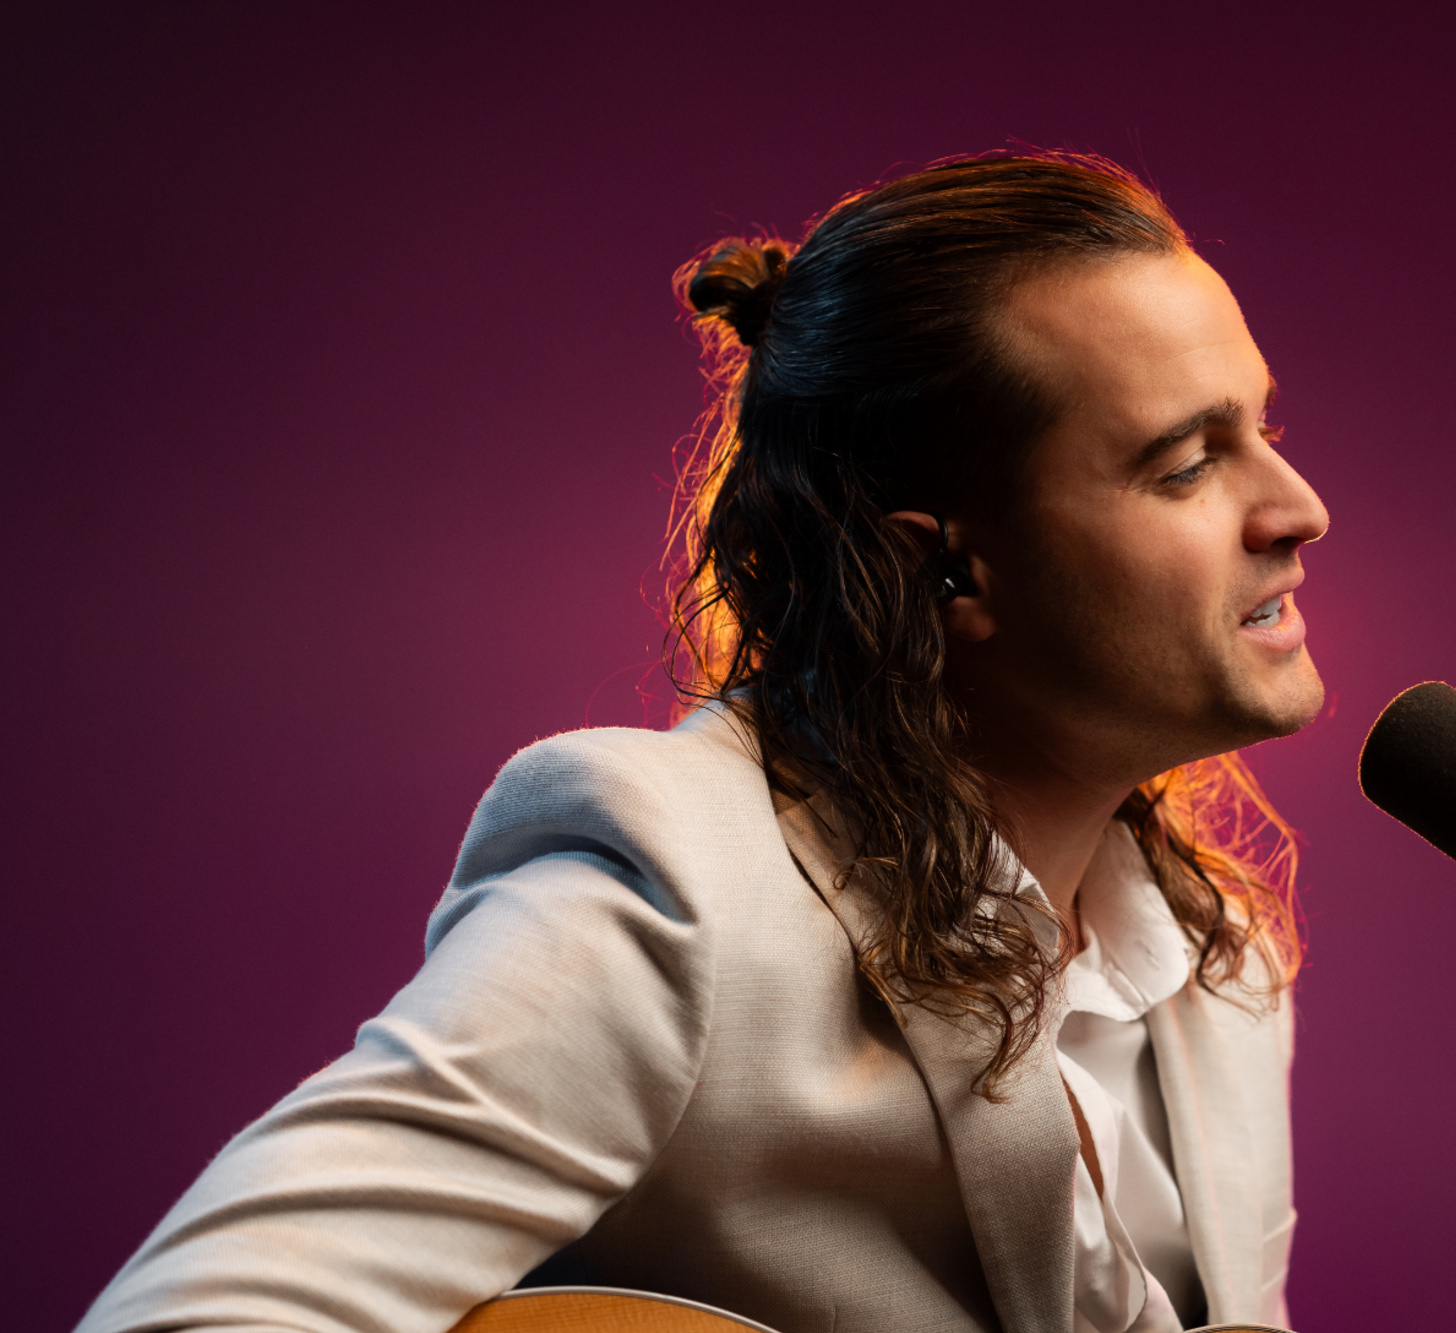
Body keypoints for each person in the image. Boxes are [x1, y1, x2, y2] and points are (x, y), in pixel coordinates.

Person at [77, 151, 1329, 1333]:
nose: (1296, 510)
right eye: (1184, 464)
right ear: (939, 567)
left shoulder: (1218, 974)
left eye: (1263, 432)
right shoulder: (679, 895)